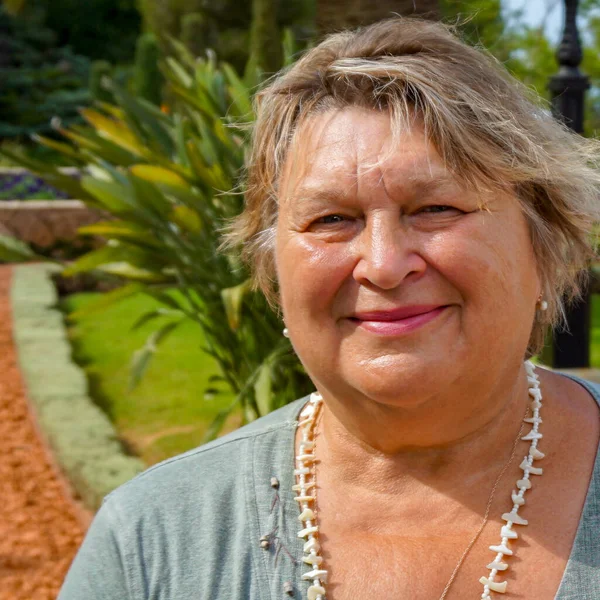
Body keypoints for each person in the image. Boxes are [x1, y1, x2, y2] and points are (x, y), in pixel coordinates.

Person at [58, 18, 600, 600]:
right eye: (332, 220)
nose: (383, 264)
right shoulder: (151, 543)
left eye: (437, 208)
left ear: (541, 243)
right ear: (273, 273)